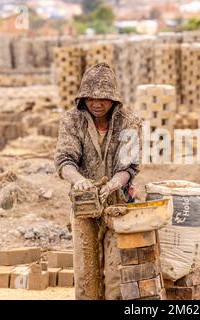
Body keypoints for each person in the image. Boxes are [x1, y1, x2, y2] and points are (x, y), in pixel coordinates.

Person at [54, 62, 141, 300]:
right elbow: (64, 160)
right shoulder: (72, 120)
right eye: (91, 98)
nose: (97, 103)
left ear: (114, 99)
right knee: (86, 276)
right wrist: (79, 180)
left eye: (103, 98)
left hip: (118, 205)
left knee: (116, 276)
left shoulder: (129, 122)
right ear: (83, 98)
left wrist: (114, 183)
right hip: (84, 205)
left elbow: (130, 166)